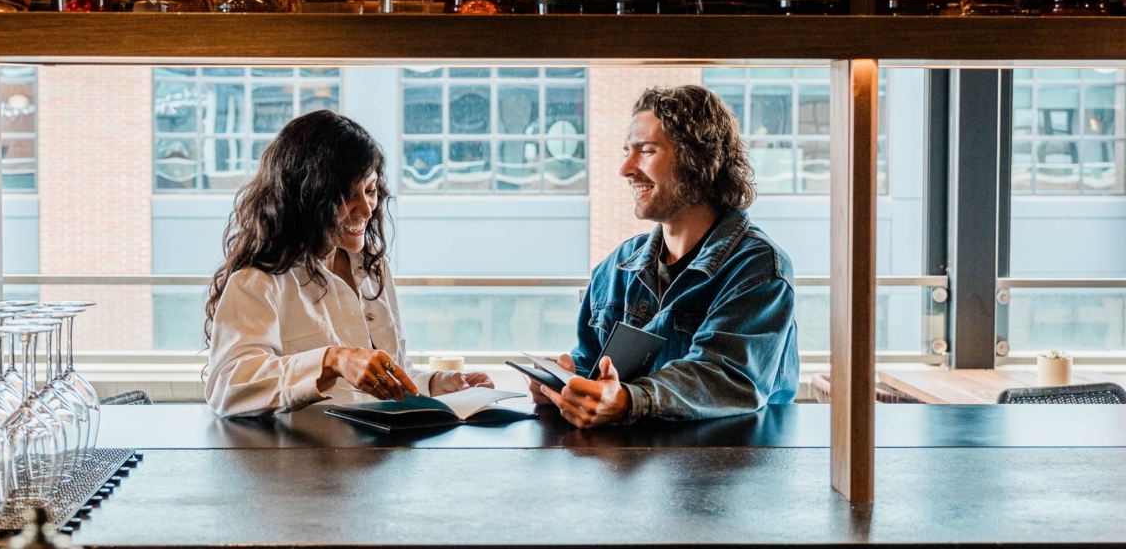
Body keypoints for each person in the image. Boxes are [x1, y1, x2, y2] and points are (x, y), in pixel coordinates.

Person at [531, 85, 799, 428]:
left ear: (697, 159)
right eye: (627, 151)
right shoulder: (617, 266)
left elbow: (724, 376)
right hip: (627, 473)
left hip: (727, 470)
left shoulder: (758, 269)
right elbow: (591, 367)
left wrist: (630, 400)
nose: (626, 169)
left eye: (645, 151)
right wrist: (562, 387)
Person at [204, 110, 492, 417]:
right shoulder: (258, 282)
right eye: (345, 197)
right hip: (301, 462)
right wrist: (331, 361)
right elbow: (228, 387)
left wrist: (435, 384)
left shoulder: (372, 269)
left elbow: (383, 380)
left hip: (377, 460)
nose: (367, 210)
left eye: (370, 191)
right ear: (306, 199)